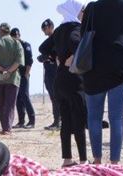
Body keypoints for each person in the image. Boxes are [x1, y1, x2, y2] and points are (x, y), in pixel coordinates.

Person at [79, 0, 123, 165]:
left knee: (94, 117)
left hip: (95, 66)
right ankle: (115, 162)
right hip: (121, 64)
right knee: (117, 117)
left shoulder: (92, 7)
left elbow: (83, 34)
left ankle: (97, 160)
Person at [41, 1, 89, 166]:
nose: (84, 12)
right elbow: (77, 45)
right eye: (82, 9)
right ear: (75, 11)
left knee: (66, 121)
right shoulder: (76, 28)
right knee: (79, 120)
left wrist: (56, 57)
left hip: (59, 80)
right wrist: (72, 58)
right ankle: (83, 160)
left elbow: (43, 48)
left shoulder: (59, 30)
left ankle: (67, 159)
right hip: (74, 81)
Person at [0, 23, 24, 136]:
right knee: (10, 104)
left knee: (1, 103)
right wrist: (9, 71)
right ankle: (7, 128)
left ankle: (4, 127)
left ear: (0, 31)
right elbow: (19, 61)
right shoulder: (17, 43)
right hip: (12, 78)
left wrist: (2, 70)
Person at [37, 18, 61, 129]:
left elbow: (56, 53)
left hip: (55, 72)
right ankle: (57, 120)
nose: (44, 31)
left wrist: (49, 56)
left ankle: (58, 121)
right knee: (53, 97)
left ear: (51, 26)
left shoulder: (57, 38)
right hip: (49, 72)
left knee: (56, 97)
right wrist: (44, 58)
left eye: (45, 29)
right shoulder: (50, 41)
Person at [12, 28, 37, 128]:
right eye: (13, 37)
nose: (15, 38)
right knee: (18, 98)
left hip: (24, 74)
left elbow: (30, 60)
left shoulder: (26, 45)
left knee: (25, 96)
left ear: (19, 35)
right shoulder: (14, 47)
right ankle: (21, 121)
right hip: (16, 75)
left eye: (16, 36)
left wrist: (27, 73)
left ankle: (32, 121)